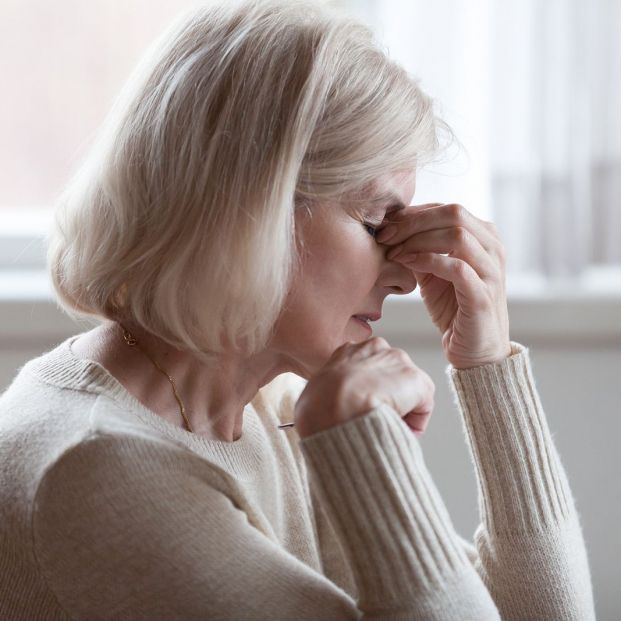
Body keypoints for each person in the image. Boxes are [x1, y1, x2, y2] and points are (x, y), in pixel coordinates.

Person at [0, 0, 596, 619]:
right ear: (251, 209)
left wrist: (490, 367)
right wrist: (365, 452)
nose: (405, 274)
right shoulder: (96, 471)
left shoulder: (270, 406)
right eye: (374, 220)